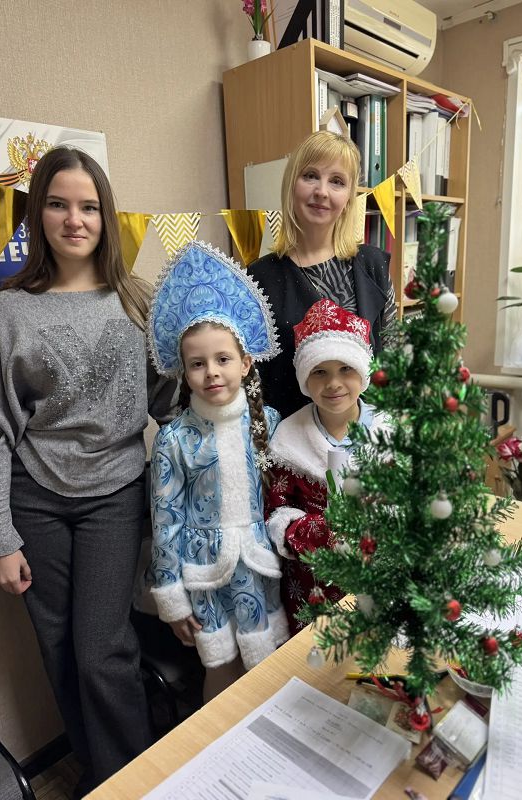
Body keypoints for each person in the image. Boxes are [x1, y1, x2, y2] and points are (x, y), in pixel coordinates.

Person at [0, 147, 174, 796]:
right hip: (34, 500)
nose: (74, 219)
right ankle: (98, 772)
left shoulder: (138, 301)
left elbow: (172, 403)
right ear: (37, 213)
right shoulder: (8, 311)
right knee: (57, 649)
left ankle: (134, 781)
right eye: (58, 204)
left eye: (88, 206)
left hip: (115, 496)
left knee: (102, 651)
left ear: (107, 216)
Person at [146, 241, 288, 702]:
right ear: (183, 372)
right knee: (220, 668)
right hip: (203, 572)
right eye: (197, 363)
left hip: (259, 568)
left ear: (245, 363)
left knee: (266, 665)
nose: (211, 372)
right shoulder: (174, 440)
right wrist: (170, 596)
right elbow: (165, 520)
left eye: (223, 359)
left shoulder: (270, 423)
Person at [247, 130, 395, 419]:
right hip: (291, 437)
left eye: (337, 181)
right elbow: (253, 380)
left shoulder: (373, 265)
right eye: (310, 176)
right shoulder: (258, 278)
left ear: (349, 198)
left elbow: (393, 358)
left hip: (367, 433)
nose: (322, 191)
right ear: (292, 184)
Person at [265, 299, 388, 635]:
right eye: (320, 371)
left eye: (346, 369)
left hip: (378, 576)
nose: (334, 383)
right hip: (313, 585)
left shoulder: (389, 431)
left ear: (362, 373)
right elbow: (277, 513)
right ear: (305, 378)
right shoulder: (289, 438)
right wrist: (319, 531)